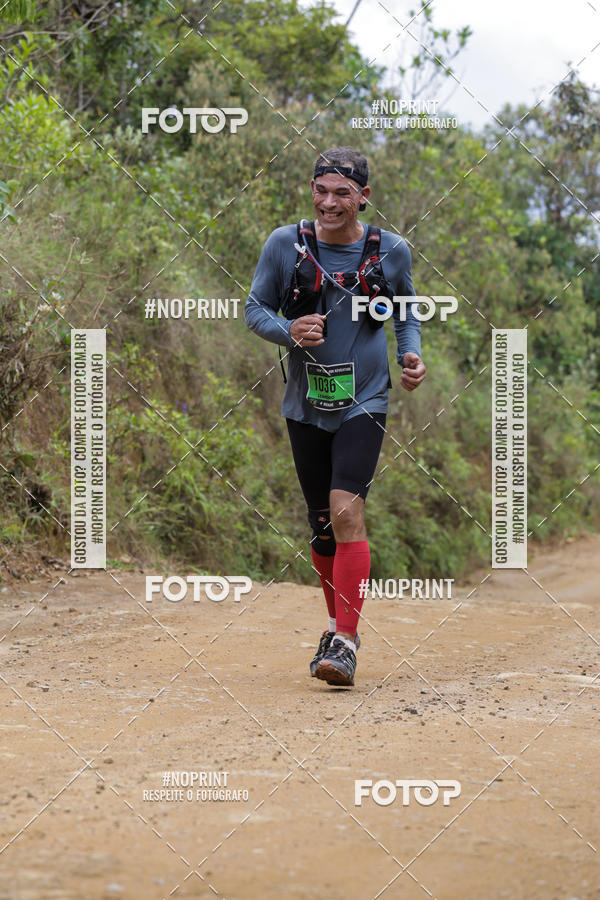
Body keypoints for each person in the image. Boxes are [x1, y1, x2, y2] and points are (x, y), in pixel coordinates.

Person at [245, 147, 426, 687]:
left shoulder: (389, 251)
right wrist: (289, 330)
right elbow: (255, 308)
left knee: (345, 511)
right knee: (322, 526)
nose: (329, 202)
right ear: (312, 189)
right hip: (304, 402)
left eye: (342, 193)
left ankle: (346, 640)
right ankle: (334, 627)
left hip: (364, 399)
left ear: (363, 197)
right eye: (321, 190)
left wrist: (411, 356)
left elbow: (406, 312)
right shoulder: (286, 244)